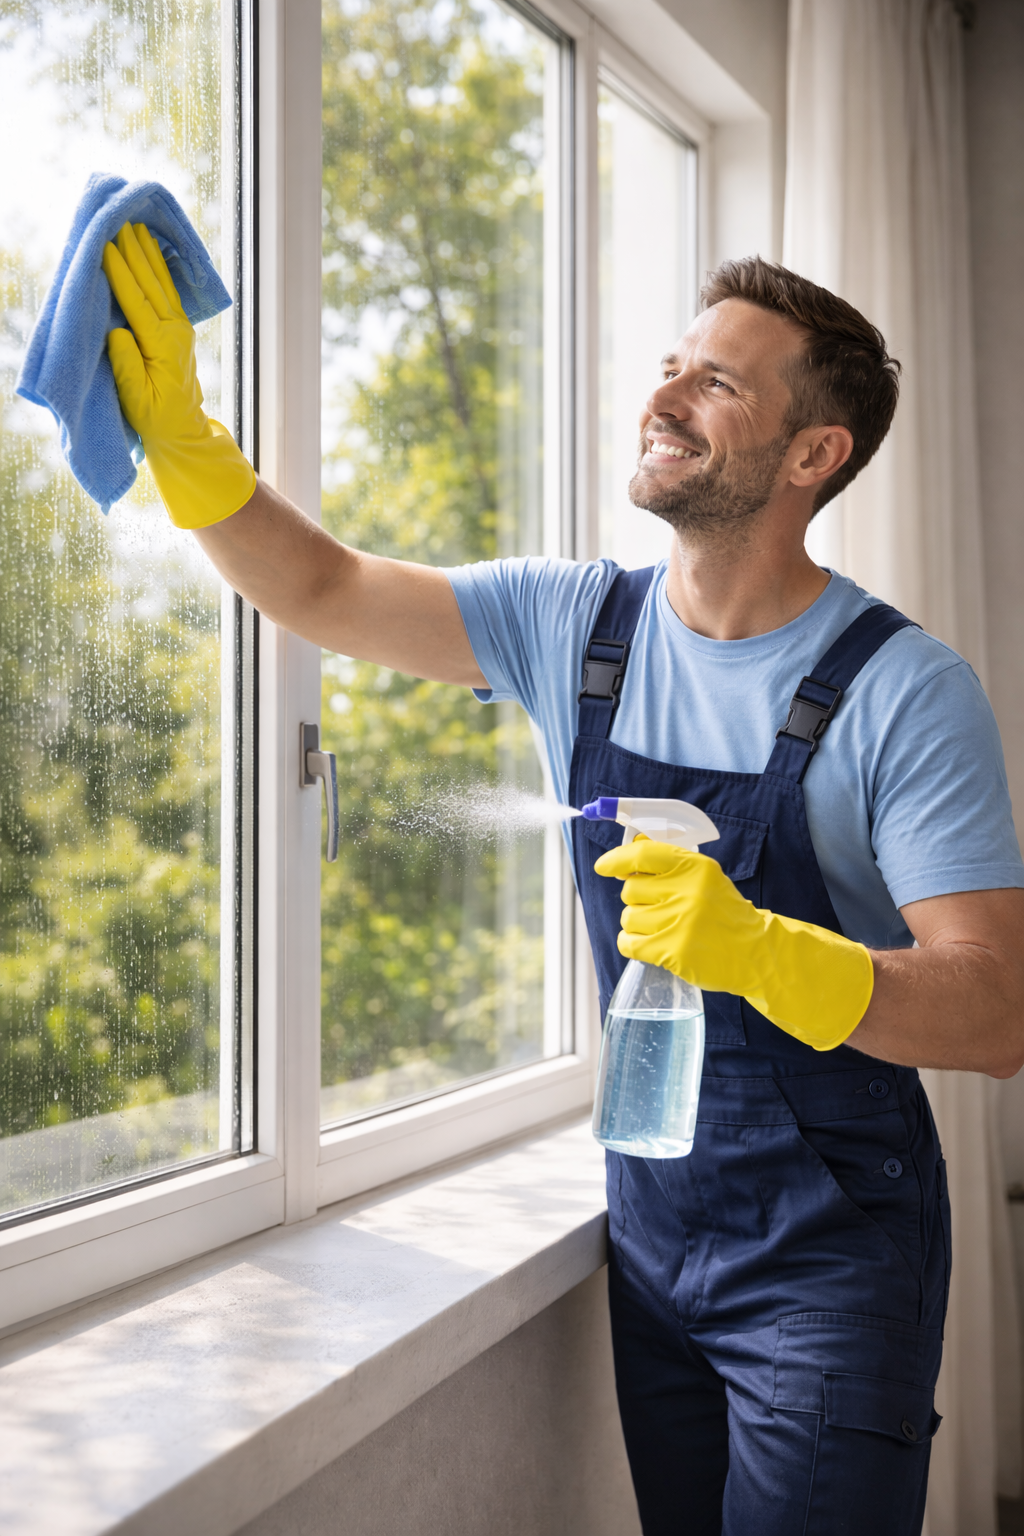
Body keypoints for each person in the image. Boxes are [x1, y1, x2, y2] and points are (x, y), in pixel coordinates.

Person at [101, 223, 1024, 1535]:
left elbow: (995, 1014)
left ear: (815, 455)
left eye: (717, 384)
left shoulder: (905, 691)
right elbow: (321, 585)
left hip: (831, 1257)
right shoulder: (577, 624)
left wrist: (761, 947)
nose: (661, 399)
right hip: (654, 1227)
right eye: (670, 366)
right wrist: (186, 442)